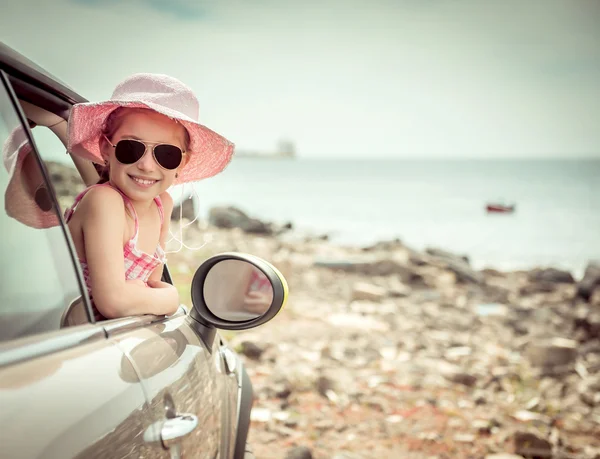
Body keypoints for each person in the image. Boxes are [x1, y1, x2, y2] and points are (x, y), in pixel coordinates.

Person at [64, 73, 234, 321]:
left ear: (181, 163)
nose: (146, 165)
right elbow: (114, 303)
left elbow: (150, 285)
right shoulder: (104, 201)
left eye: (166, 154)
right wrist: (172, 298)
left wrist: (141, 295)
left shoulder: (162, 204)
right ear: (105, 148)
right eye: (130, 148)